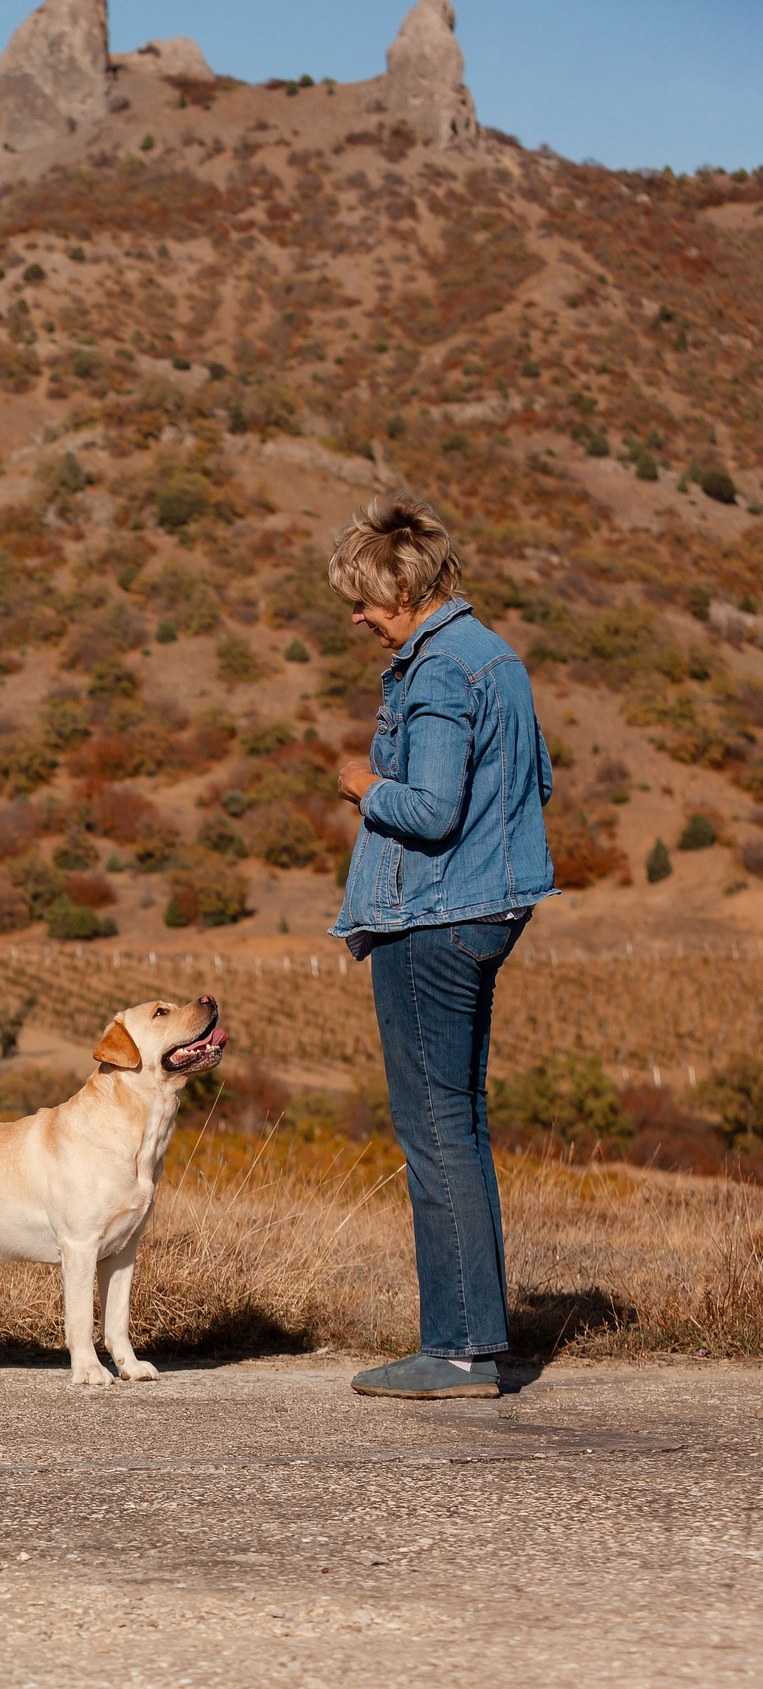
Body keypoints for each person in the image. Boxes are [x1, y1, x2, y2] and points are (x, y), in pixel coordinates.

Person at [326, 494, 556, 1401]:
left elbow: (430, 807)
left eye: (365, 599)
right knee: (462, 1126)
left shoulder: (431, 672)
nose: (357, 616)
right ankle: (474, 1340)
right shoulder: (496, 655)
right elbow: (538, 778)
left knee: (434, 1134)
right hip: (490, 907)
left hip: (431, 918)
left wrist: (363, 784)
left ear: (405, 587)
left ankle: (456, 1350)